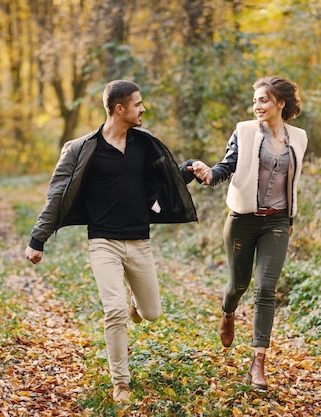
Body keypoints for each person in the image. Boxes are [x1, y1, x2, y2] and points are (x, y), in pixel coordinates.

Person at [25, 80, 197, 403]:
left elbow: (168, 178)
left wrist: (189, 169)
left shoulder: (144, 145)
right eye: (138, 103)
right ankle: (121, 383)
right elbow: (56, 195)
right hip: (103, 242)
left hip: (139, 242)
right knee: (114, 311)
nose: (143, 108)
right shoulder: (82, 149)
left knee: (152, 313)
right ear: (120, 109)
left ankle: (135, 298)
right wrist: (38, 239)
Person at [184, 75, 307, 391]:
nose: (257, 106)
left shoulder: (299, 138)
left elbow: (292, 182)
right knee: (239, 284)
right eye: (255, 101)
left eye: (263, 100)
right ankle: (228, 313)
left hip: (277, 222)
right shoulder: (245, 132)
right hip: (242, 220)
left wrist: (290, 218)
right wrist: (209, 174)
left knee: (266, 288)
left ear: (280, 103)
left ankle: (258, 363)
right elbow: (228, 166)